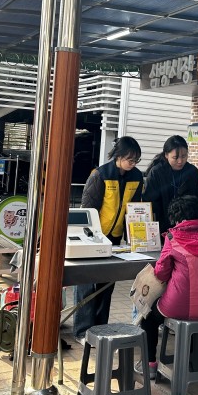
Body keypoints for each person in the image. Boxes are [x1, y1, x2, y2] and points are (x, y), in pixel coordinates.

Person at [136, 195, 198, 379]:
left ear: (177, 219)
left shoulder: (173, 237)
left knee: (148, 317)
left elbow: (161, 273)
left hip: (177, 307)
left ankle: (149, 365)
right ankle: (192, 359)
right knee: (193, 313)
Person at [72, 136, 144, 344]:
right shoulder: (100, 175)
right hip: (93, 237)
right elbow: (88, 209)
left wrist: (132, 238)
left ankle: (100, 327)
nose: (133, 164)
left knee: (107, 284)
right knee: (86, 283)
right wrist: (89, 237)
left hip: (115, 238)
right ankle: (82, 331)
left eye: (136, 160)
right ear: (118, 156)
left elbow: (134, 209)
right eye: (130, 159)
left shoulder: (137, 177)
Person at [143, 135, 198, 234]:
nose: (180, 161)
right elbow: (150, 202)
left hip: (188, 226)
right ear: (166, 155)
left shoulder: (192, 171)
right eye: (175, 157)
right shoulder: (157, 172)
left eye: (184, 156)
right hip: (162, 225)